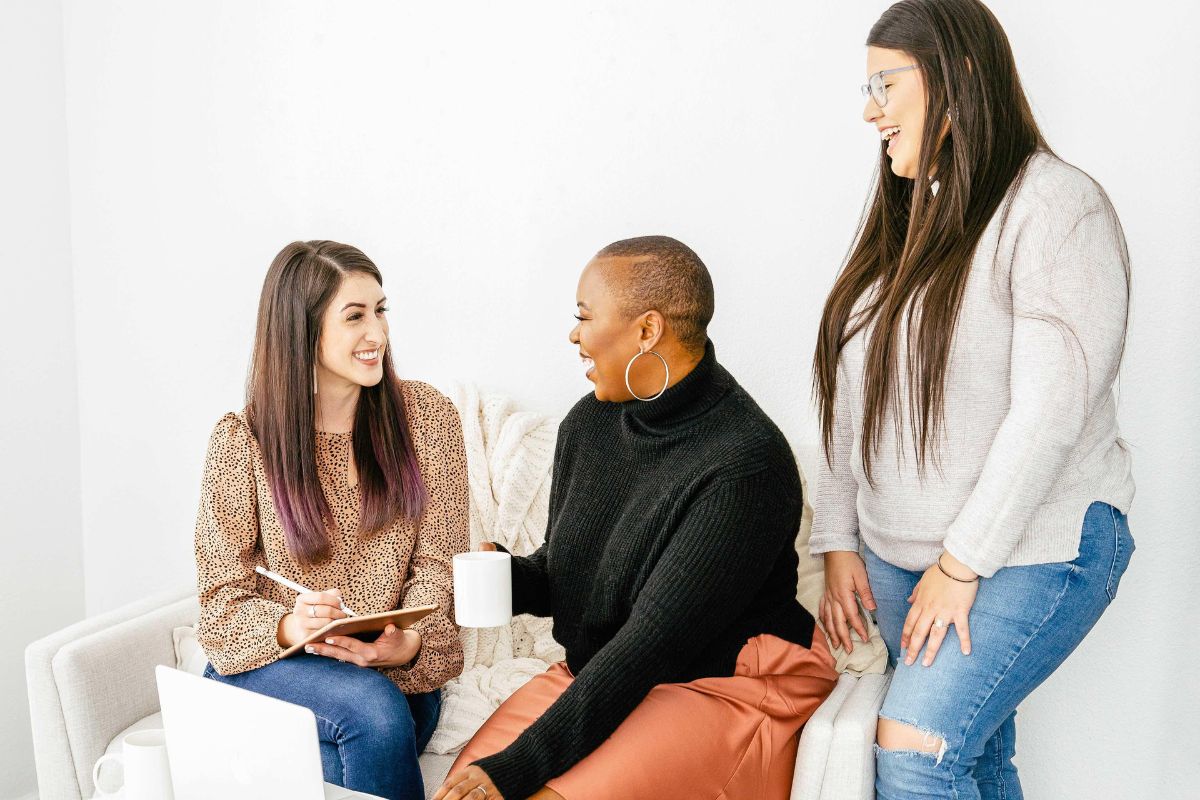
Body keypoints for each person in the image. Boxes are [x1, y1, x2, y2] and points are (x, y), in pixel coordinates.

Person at [809, 2, 1135, 797]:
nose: (870, 110)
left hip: (1030, 548)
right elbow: (854, 386)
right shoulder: (912, 214)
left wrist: (962, 565)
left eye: (885, 84)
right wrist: (838, 535)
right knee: (974, 759)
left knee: (917, 756)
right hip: (898, 556)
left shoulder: (1056, 207)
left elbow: (1049, 412)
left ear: (954, 79)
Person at [435, 236, 837, 800]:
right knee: (455, 793)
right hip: (608, 674)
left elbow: (651, 642)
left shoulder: (745, 462)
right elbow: (568, 574)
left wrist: (519, 768)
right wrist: (500, 573)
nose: (574, 335)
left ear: (647, 331)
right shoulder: (589, 424)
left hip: (722, 685)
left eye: (584, 317)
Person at [194, 240, 469, 800]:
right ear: (301, 331)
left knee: (379, 716)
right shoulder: (241, 440)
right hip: (277, 663)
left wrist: (408, 644)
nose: (378, 334)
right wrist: (294, 626)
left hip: (394, 674)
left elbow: (441, 572)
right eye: (355, 317)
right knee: (377, 717)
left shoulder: (428, 419)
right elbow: (220, 603)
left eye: (380, 310)